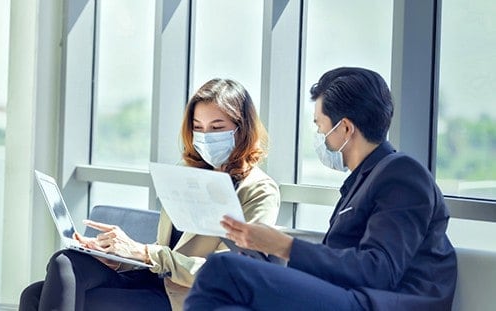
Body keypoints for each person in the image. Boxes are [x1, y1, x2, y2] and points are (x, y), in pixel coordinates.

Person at [184, 67, 458, 311]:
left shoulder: (402, 174)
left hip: (375, 302)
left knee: (222, 268)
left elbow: (379, 270)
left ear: (346, 128)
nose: (318, 135)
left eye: (319, 125)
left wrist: (284, 246)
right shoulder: (362, 180)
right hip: (348, 295)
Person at [19, 78, 280, 311]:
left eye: (216, 127)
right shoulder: (187, 175)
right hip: (154, 282)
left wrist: (143, 252)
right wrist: (117, 255)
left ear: (241, 128)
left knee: (65, 298)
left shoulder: (258, 190)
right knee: (58, 267)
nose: (204, 136)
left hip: (188, 297)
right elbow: (165, 251)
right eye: (198, 127)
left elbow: (226, 274)